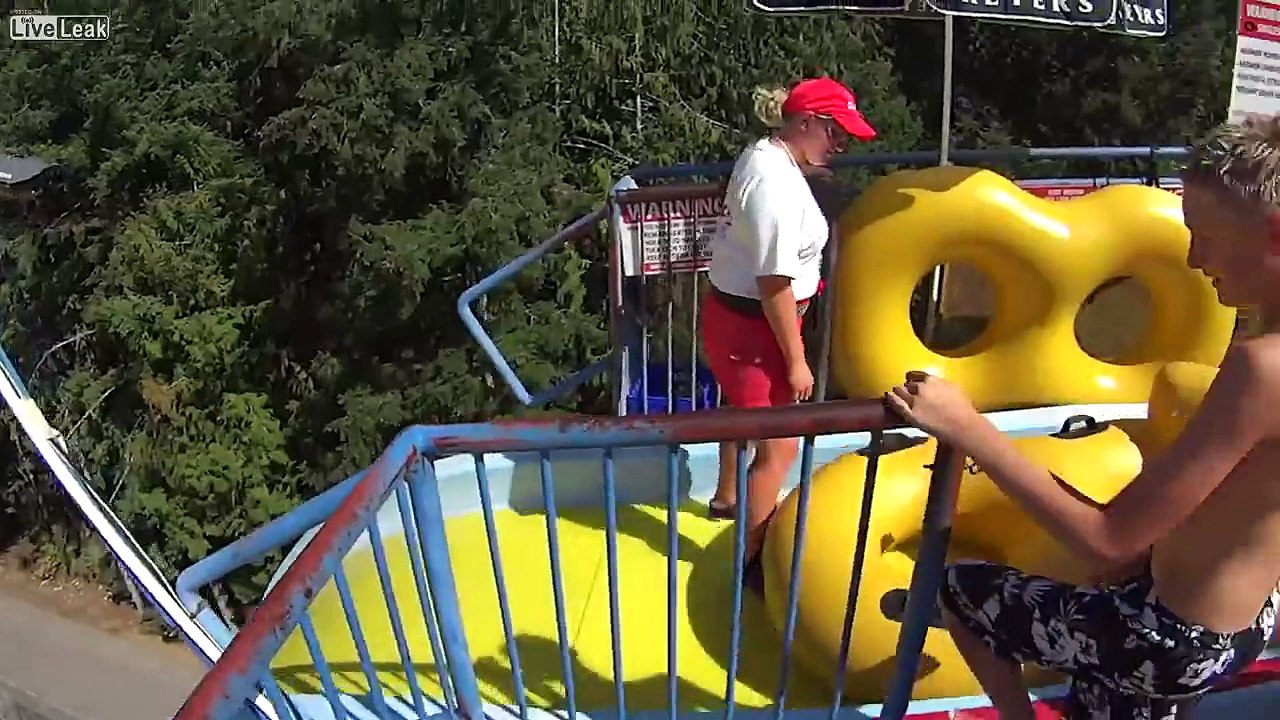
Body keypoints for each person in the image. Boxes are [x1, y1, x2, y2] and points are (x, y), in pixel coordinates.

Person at [884, 114, 1280, 719]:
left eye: (1207, 236)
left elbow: (1106, 538)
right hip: (1237, 619)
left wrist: (968, 430)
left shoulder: (1262, 368)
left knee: (957, 589)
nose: (1197, 259)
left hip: (1170, 637)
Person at [700, 77, 876, 591]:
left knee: (744, 414)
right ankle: (751, 562)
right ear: (804, 124)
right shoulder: (775, 186)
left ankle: (728, 497)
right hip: (757, 331)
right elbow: (774, 282)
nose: (840, 146)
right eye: (834, 132)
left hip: (743, 323)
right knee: (779, 449)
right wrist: (796, 360)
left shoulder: (766, 156)